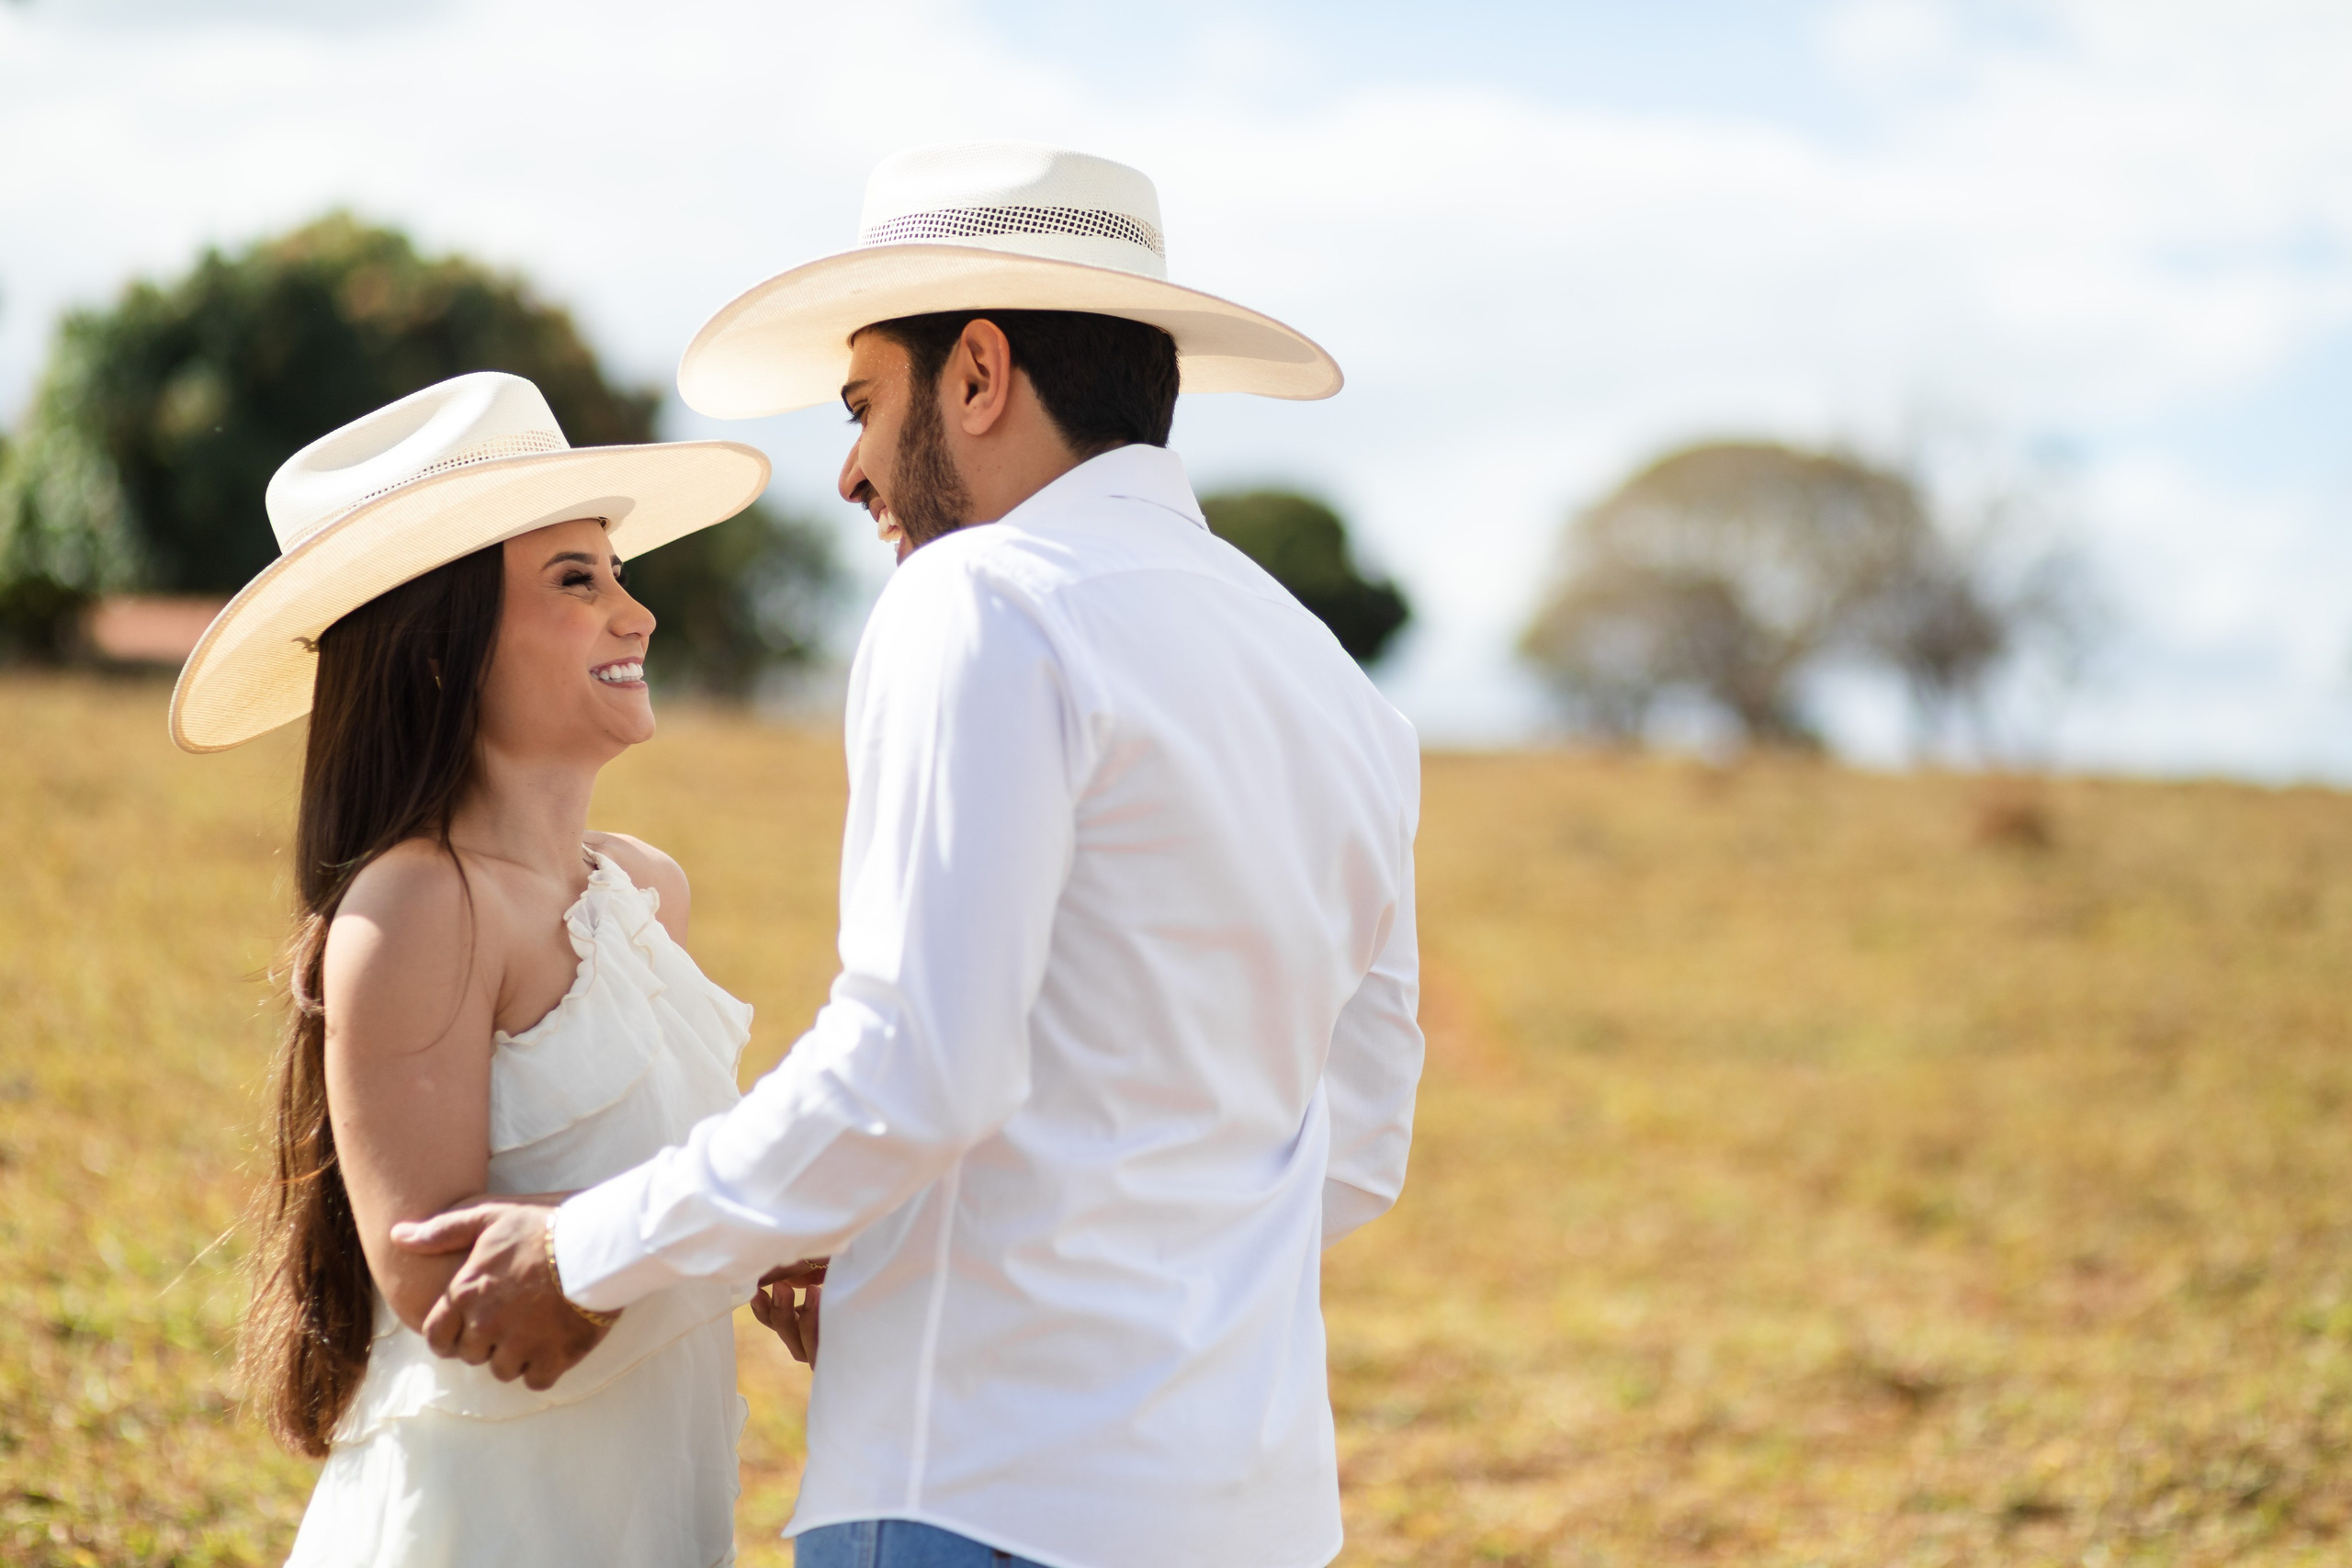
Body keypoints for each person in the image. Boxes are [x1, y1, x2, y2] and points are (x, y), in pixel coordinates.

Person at [398, 142, 1426, 1568]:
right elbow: (1357, 1146)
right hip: (1252, 1515)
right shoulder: (1339, 691)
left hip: (984, 1487)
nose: (852, 471)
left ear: (980, 375)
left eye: (866, 404)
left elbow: (910, 1067)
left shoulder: (983, 600)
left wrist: (587, 1250)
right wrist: (907, 1235)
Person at [168, 370, 771, 1566]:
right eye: (575, 580)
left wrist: (765, 1229)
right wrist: (740, 1216)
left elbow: (680, 1196)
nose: (635, 613)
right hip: (488, 1518)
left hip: (653, 1500)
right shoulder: (419, 904)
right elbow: (428, 1271)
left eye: (616, 572)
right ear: (440, 651)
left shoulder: (649, 894)